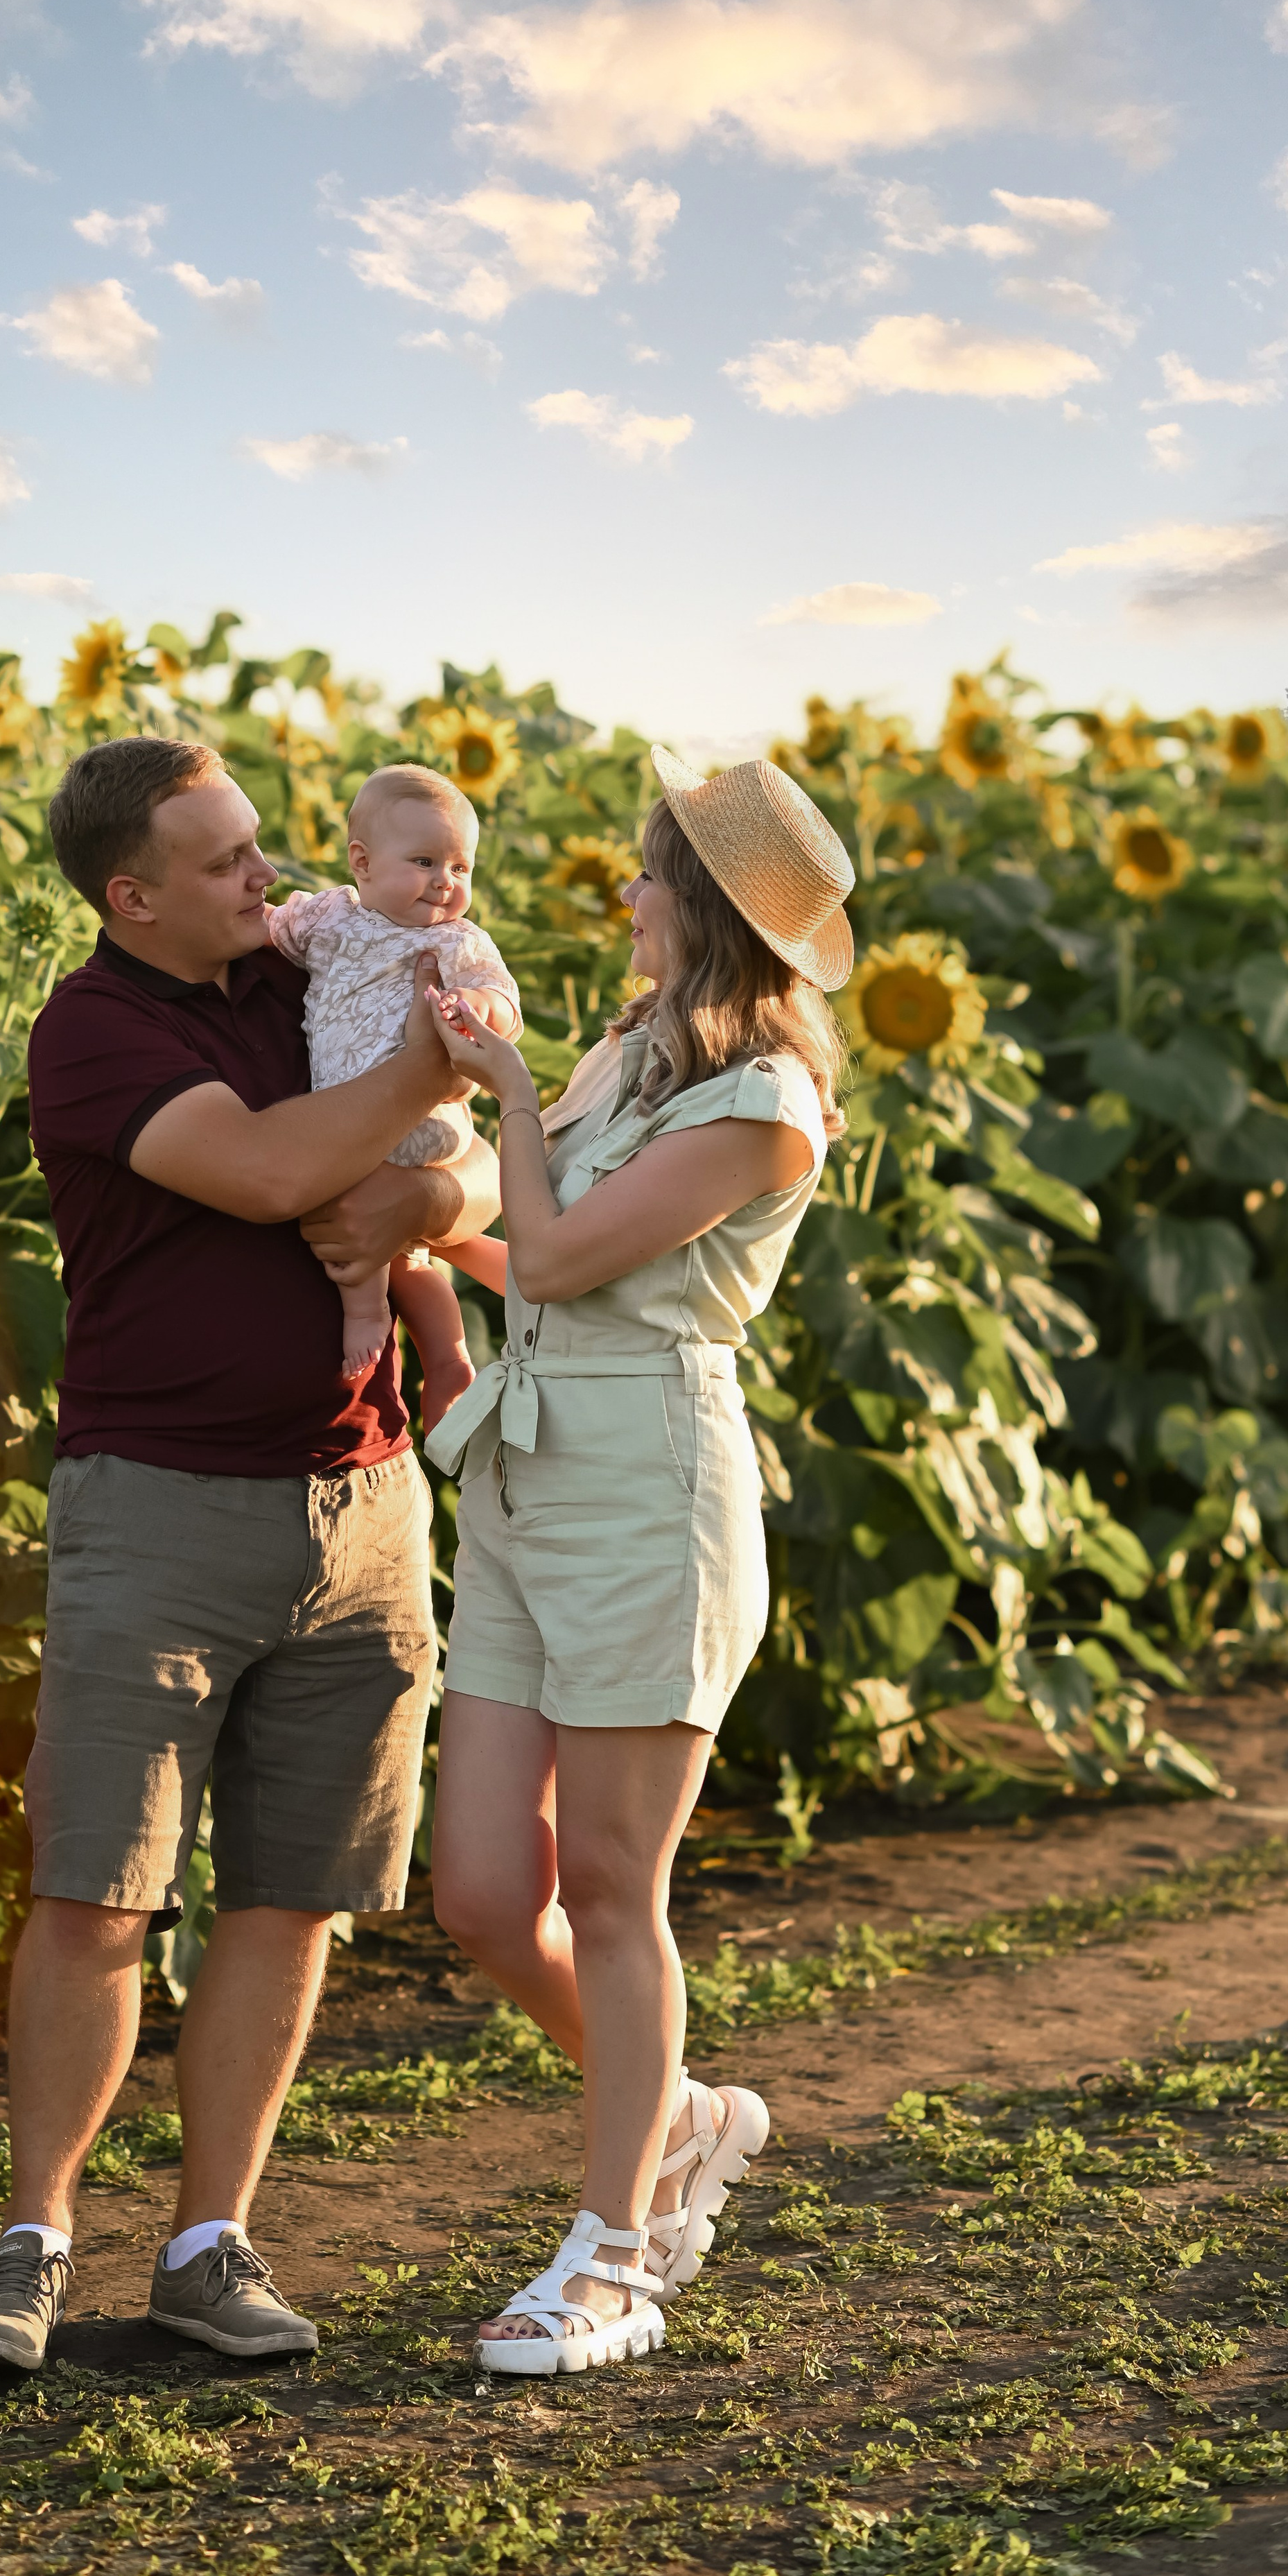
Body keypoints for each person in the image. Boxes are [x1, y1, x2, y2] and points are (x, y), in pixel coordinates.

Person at [0, 734, 498, 2372]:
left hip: (366, 1511)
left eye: (264, 845)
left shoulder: (311, 970)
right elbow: (264, 1172)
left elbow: (453, 1185)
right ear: (133, 897)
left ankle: (206, 2241)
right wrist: (438, 1065)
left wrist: (430, 1185)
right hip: (158, 1505)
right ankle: (33, 2238)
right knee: (98, 1889)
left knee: (287, 1897)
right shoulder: (96, 1027)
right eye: (225, 861)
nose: (267, 875)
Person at [420, 742, 854, 2377]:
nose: (625, 896)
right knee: (479, 1887)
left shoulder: (761, 1105)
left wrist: (504, 1089)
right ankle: (673, 2110)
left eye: (648, 873)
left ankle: (609, 2260)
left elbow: (549, 1243)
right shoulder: (628, 1054)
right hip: (529, 1480)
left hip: (650, 1489)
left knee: (607, 1881)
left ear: (705, 909)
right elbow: (520, 1257)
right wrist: (411, 1222)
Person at [266, 764, 521, 1421]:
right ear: (363, 863)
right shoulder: (331, 920)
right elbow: (270, 925)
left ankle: (365, 1316)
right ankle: (448, 1355)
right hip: (369, 1111)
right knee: (412, 1257)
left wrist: (479, 1006)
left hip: (422, 1114)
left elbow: (505, 999)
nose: (446, 882)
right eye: (425, 861)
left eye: (462, 868)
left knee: (356, 1214)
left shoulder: (457, 940)